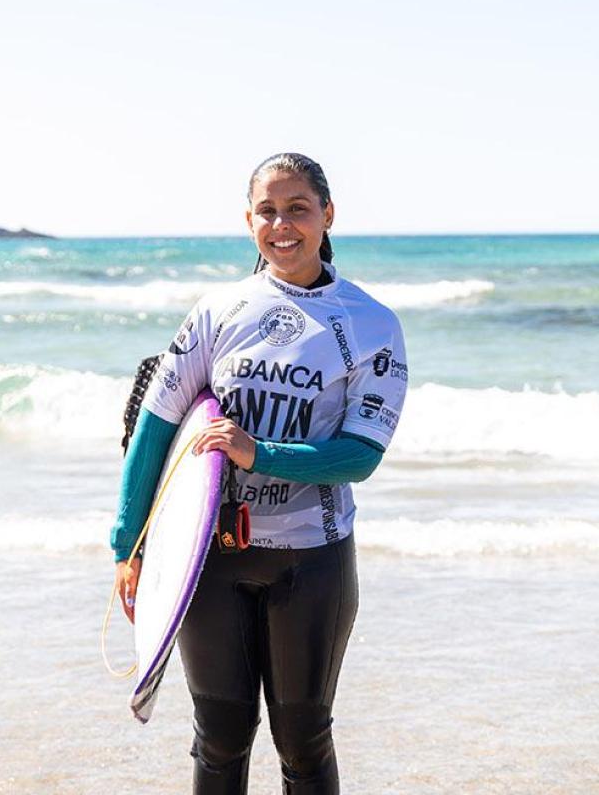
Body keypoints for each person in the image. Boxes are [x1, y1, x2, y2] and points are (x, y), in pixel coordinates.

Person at [110, 153, 408, 794]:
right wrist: (128, 545)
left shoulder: (371, 323)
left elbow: (361, 455)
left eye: (298, 209)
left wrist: (259, 452)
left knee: (303, 740)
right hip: (210, 555)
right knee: (218, 737)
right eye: (267, 211)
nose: (282, 225)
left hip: (312, 559)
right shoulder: (219, 310)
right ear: (249, 221)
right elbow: (156, 425)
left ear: (327, 215)